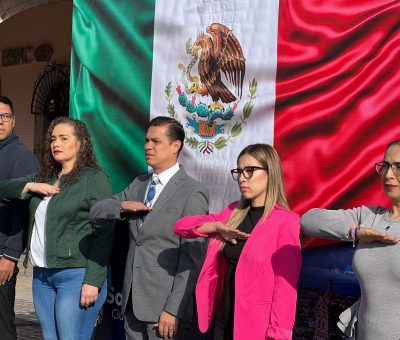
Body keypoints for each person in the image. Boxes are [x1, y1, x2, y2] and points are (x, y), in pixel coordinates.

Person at [90, 116, 209, 340]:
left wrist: (173, 309)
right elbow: (97, 212)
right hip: (131, 304)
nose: (147, 146)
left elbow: (192, 259)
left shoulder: (193, 192)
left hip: (164, 309)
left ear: (175, 146)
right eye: (146, 140)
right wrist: (123, 206)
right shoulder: (139, 184)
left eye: (155, 141)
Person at [0, 116, 114, 340]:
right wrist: (30, 185)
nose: (56, 144)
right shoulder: (45, 177)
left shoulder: (94, 179)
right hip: (42, 276)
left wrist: (93, 280)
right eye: (53, 139)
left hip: (76, 275)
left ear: (80, 143)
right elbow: (3, 189)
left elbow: (105, 232)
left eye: (64, 138)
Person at [173, 143, 302, 340]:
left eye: (250, 171)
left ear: (271, 172)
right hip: (222, 321)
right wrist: (216, 227)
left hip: (256, 328)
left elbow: (285, 289)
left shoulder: (286, 222)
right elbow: (181, 227)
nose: (242, 178)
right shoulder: (233, 213)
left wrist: (278, 335)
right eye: (239, 171)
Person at [300, 140, 400, 340]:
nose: (389, 174)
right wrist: (355, 232)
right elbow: (308, 220)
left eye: (398, 167)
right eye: (386, 165)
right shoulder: (370, 217)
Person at [0, 95, 38, 340]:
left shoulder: (21, 156)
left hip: (2, 253)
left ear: (13, 121)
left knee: (2, 324)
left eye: (5, 116)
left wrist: (11, 256)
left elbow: (23, 210)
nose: (0, 121)